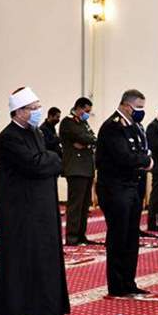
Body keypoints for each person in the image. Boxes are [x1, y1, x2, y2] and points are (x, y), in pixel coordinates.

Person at [0, 86, 69, 315]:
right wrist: (52, 159)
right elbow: (35, 165)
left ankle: (45, 307)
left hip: (41, 206)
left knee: (44, 255)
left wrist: (50, 160)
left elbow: (49, 160)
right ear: (19, 111)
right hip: (20, 210)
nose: (37, 112)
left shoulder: (35, 132)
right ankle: (20, 309)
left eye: (38, 107)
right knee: (23, 259)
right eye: (33, 108)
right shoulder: (9, 136)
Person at [95, 90, 153, 297]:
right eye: (139, 107)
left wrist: (144, 160)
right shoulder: (113, 127)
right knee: (118, 236)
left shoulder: (135, 126)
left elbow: (143, 151)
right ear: (127, 106)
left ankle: (129, 282)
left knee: (131, 237)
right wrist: (146, 161)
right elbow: (124, 157)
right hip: (115, 188)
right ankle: (117, 285)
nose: (141, 112)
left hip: (132, 186)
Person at [59, 96, 96, 245]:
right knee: (76, 205)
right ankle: (72, 236)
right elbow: (83, 137)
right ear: (79, 108)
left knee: (85, 205)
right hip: (76, 168)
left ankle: (81, 235)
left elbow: (92, 137)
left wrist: (86, 142)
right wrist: (87, 141)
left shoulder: (83, 122)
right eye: (86, 111)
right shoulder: (68, 122)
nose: (87, 114)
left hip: (86, 168)